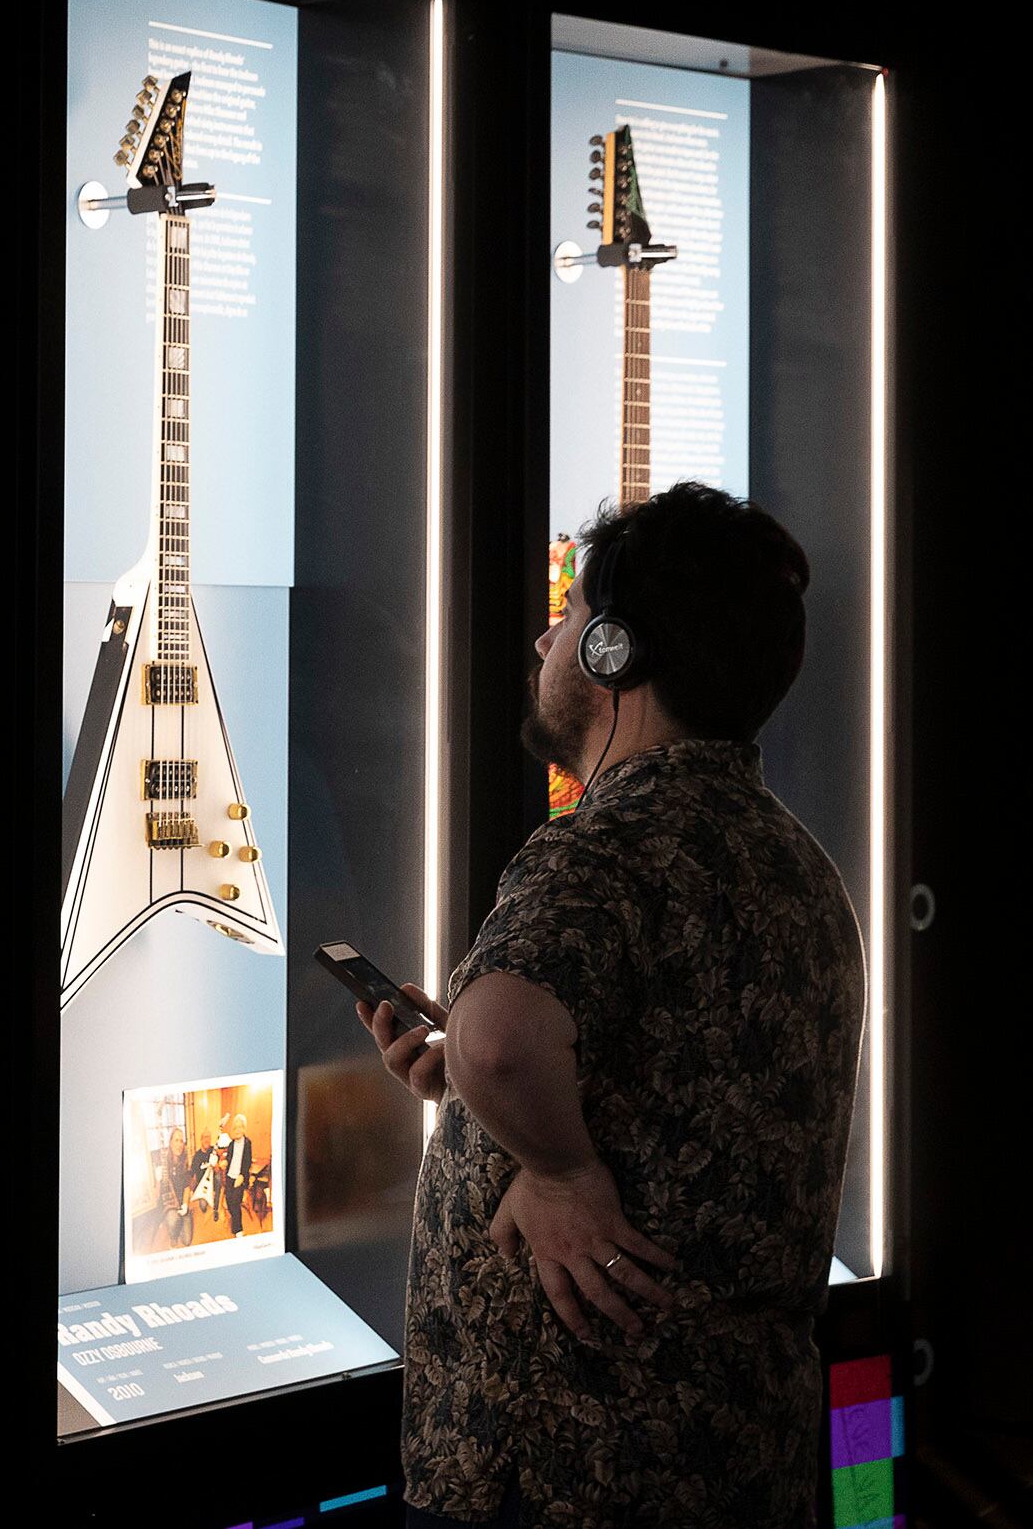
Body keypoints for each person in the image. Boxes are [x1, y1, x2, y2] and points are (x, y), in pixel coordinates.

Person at [356, 482, 860, 1529]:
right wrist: (476, 1093)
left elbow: (501, 1040)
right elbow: (666, 1082)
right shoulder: (797, 866)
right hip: (742, 1466)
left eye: (573, 612)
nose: (548, 636)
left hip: (556, 1478)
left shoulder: (600, 851)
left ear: (613, 652)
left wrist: (558, 1169)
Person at [219, 1112, 255, 1239]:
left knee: (235, 1202)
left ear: (244, 1128)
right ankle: (235, 1221)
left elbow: (247, 1162)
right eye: (235, 1127)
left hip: (240, 1178)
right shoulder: (231, 1144)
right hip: (230, 1176)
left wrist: (242, 1176)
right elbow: (229, 1159)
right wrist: (225, 1162)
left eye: (240, 1127)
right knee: (229, 1203)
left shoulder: (247, 1143)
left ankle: (238, 1230)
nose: (238, 1130)